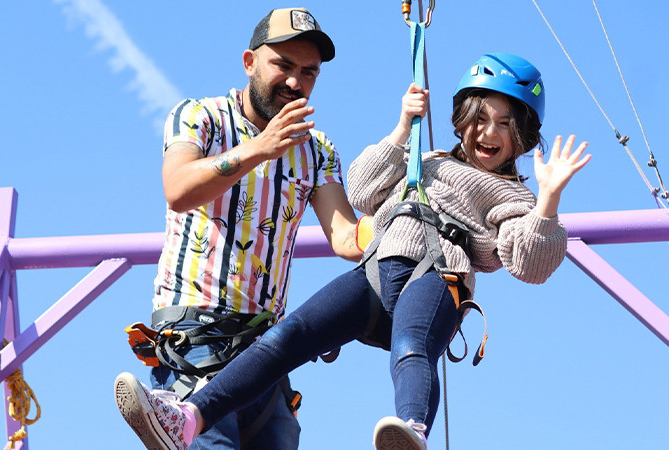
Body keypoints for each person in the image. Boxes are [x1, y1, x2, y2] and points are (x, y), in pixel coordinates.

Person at [117, 52, 592, 450]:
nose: (489, 133)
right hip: (377, 268)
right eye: (480, 119)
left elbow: (528, 263)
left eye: (505, 125)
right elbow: (364, 191)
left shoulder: (513, 197)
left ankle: (412, 430)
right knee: (287, 337)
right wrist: (403, 129)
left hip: (438, 272)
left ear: (524, 136)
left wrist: (548, 200)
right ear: (461, 121)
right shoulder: (424, 161)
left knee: (411, 348)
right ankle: (191, 417)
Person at [113, 7, 362, 450]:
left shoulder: (318, 150)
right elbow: (178, 188)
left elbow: (345, 236)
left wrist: (403, 219)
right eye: (282, 65)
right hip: (193, 341)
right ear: (249, 62)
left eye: (308, 72)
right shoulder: (200, 116)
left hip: (267, 357)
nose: (294, 82)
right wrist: (260, 148)